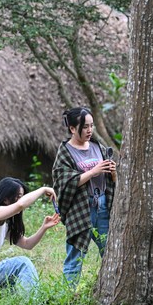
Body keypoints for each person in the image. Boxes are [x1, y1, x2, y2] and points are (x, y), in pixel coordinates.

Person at [52, 106, 116, 284]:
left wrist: (112, 172)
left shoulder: (98, 147)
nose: (90, 130)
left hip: (103, 206)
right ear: (72, 129)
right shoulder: (65, 151)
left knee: (111, 253)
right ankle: (66, 298)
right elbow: (62, 183)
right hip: (82, 209)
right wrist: (93, 171)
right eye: (85, 127)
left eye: (91, 126)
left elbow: (111, 181)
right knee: (75, 258)